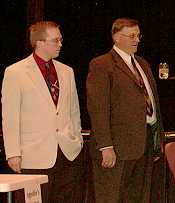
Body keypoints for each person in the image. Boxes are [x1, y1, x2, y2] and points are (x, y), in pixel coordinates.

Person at [1, 21, 84, 203]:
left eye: (60, 40)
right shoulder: (15, 72)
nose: (60, 44)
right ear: (39, 42)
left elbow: (74, 111)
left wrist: (76, 139)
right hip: (33, 156)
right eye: (56, 40)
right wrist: (13, 153)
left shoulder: (66, 71)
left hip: (67, 153)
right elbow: (10, 117)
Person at [86, 17, 163, 203]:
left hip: (144, 142)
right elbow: (98, 108)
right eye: (131, 36)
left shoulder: (143, 64)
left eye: (138, 35)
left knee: (139, 196)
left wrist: (158, 138)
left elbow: (153, 104)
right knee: (112, 197)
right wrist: (106, 146)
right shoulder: (102, 64)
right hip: (117, 146)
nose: (136, 40)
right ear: (116, 37)